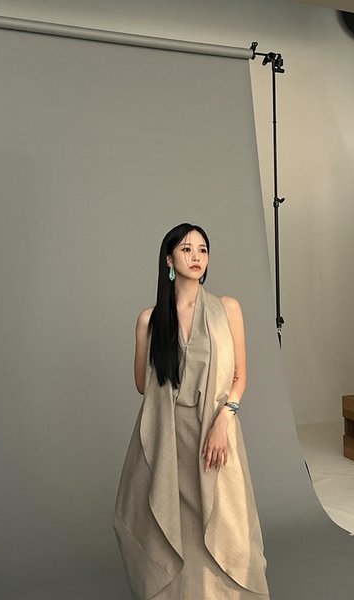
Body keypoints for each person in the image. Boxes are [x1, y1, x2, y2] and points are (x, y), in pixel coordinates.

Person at [113, 223, 270, 599]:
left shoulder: (227, 309)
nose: (196, 256)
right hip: (168, 433)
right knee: (173, 524)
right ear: (169, 260)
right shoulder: (150, 319)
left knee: (224, 521)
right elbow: (143, 385)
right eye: (186, 249)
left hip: (216, 430)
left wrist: (223, 420)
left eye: (202, 249)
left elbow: (240, 376)